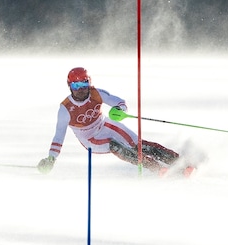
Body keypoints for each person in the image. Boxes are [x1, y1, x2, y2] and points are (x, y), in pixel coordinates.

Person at [37, 67, 192, 176]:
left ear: (89, 83)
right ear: (69, 86)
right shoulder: (65, 108)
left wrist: (120, 110)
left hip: (105, 125)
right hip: (90, 138)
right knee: (115, 146)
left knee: (139, 145)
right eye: (76, 85)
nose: (81, 89)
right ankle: (157, 169)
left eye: (84, 84)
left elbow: (120, 103)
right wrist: (51, 159)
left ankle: (181, 163)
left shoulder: (97, 93)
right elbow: (58, 137)